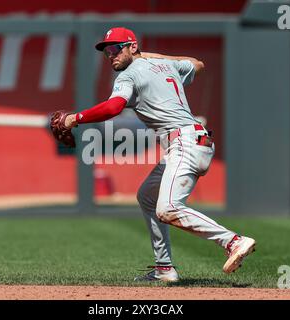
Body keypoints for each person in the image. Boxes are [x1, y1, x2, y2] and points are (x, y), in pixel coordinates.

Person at [60, 27, 256, 282]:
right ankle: (165, 269)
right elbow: (197, 64)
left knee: (168, 208)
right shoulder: (165, 66)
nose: (110, 55)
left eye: (115, 48)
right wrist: (147, 56)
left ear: (132, 47)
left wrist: (75, 118)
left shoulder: (128, 76)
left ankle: (233, 241)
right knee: (148, 197)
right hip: (193, 140)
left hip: (184, 142)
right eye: (107, 51)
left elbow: (113, 107)